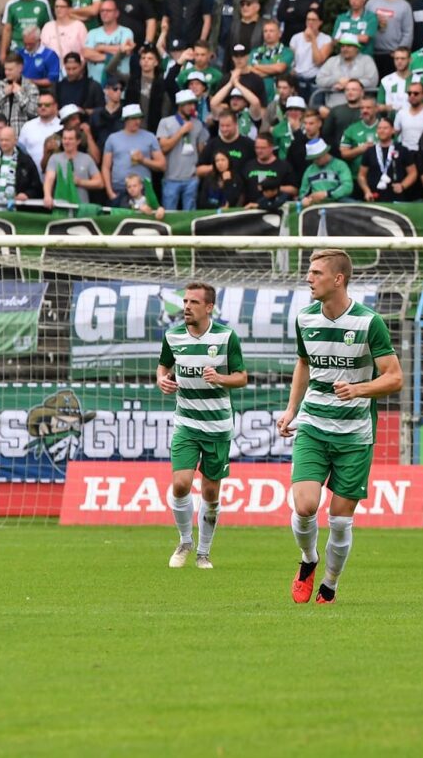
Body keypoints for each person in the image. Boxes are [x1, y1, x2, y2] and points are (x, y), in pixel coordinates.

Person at [276, 249, 402, 604]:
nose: (308, 278)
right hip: (314, 426)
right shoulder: (305, 318)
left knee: (340, 521)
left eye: (315, 273)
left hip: (354, 436)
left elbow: (394, 378)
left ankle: (330, 583)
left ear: (338, 279)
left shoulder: (368, 322)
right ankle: (308, 560)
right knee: (304, 506)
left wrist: (359, 388)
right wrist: (291, 410)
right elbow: (303, 363)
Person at [157, 282, 247, 570]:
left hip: (217, 426)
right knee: (181, 484)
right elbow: (164, 367)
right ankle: (185, 541)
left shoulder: (225, 337)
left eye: (194, 302)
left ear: (209, 307)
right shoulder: (172, 336)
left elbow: (242, 377)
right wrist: (162, 379)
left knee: (210, 492)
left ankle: (204, 552)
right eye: (185, 301)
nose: (186, 307)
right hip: (186, 423)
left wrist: (221, 378)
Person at [102, 105, 165, 205]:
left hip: (143, 188)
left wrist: (143, 160)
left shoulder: (150, 137)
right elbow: (105, 167)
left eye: (139, 118)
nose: (137, 121)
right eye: (134, 118)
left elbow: (162, 165)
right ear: (125, 120)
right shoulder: (112, 138)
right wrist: (110, 193)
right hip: (119, 188)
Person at [357, 117, 416, 203]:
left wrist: (403, 186)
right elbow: (361, 175)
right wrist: (367, 191)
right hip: (374, 196)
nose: (382, 131)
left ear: (392, 130)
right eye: (379, 128)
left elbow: (413, 173)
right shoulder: (370, 151)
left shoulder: (402, 150)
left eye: (385, 128)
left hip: (397, 197)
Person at [299, 137, 354, 206]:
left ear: (325, 153)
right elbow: (303, 192)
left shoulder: (340, 165)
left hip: (338, 202)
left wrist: (327, 194)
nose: (316, 161)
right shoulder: (309, 170)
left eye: (318, 157)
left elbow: (347, 187)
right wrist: (304, 199)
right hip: (316, 205)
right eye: (313, 159)